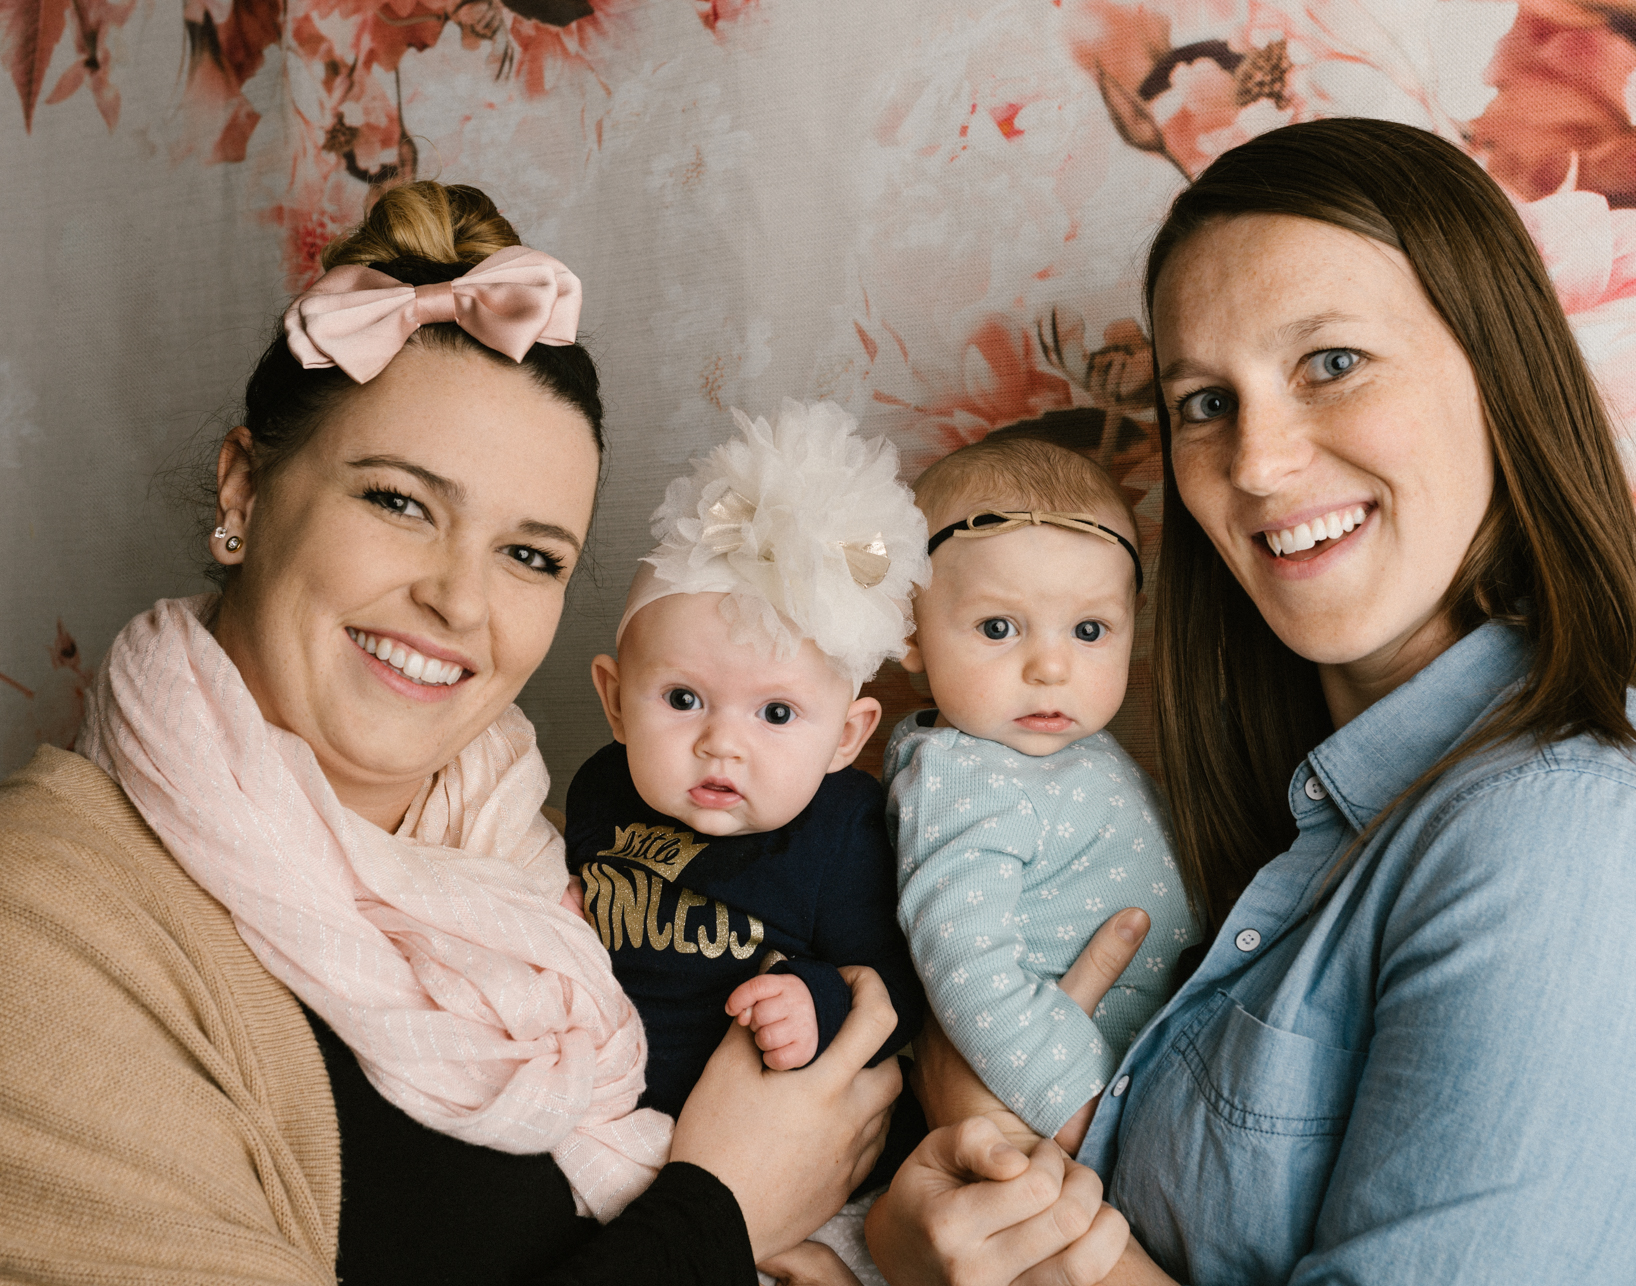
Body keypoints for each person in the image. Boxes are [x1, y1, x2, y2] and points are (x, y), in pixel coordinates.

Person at [866, 118, 1636, 1284]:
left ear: (1499, 376)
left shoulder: (1584, 849)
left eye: (1331, 363)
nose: (1256, 461)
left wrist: (1000, 1233)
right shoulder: (1331, 822)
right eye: (1205, 401)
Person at [0, 181, 900, 1286]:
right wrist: (720, 1209)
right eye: (399, 501)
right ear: (243, 491)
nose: (461, 605)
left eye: (530, 555)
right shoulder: (44, 925)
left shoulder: (540, 868)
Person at [564, 400, 930, 1282]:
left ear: (846, 737)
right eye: (683, 699)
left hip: (790, 1160)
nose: (722, 743)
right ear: (615, 700)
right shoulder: (601, 791)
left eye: (776, 714)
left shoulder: (839, 831)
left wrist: (815, 1003)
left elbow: (893, 999)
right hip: (611, 1134)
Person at [885, 436, 1198, 1153]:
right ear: (909, 628)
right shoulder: (964, 778)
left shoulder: (1066, 748)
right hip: (1065, 1110)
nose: (1051, 667)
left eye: (1090, 630)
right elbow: (967, 966)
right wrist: (1076, 1108)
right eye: (998, 627)